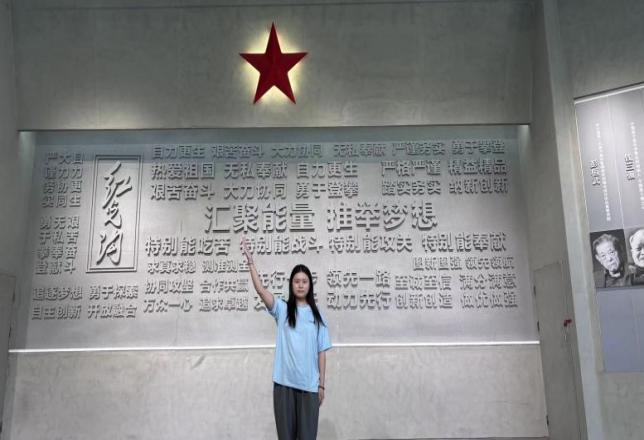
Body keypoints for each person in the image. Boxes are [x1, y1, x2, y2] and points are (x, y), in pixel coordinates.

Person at [241, 235, 332, 440]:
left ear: (310, 285)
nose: (300, 285)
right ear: (291, 284)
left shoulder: (317, 316)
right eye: (297, 281)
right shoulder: (282, 309)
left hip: (309, 387)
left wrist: (321, 384)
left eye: (304, 281)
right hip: (284, 385)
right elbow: (261, 290)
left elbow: (322, 352)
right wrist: (251, 262)